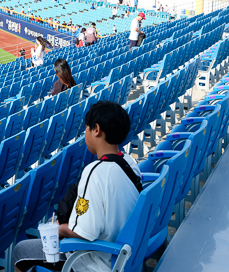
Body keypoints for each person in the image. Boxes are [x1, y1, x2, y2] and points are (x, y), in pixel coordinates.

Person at [12, 101, 141, 272]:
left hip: (95, 262)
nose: (85, 132)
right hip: (124, 253)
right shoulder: (129, 163)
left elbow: (84, 232)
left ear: (96, 129)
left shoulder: (95, 172)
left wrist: (59, 229)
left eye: (86, 127)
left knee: (21, 251)